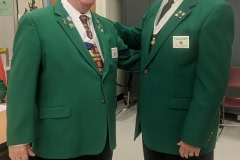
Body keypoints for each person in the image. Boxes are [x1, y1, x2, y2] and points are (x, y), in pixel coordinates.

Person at [7, 0, 139, 160]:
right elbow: (20, 85)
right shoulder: (36, 22)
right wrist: (18, 139)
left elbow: (127, 58)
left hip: (101, 140)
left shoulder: (105, 26)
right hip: (60, 139)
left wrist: (164, 56)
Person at [113, 0, 235, 159]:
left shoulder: (215, 9)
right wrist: (107, 25)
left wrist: (195, 135)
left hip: (184, 134)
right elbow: (142, 38)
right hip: (152, 129)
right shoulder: (158, 6)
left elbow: (213, 84)